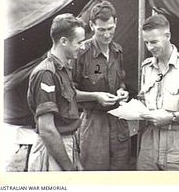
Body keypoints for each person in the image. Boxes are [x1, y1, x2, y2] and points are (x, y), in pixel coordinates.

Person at [27, 14, 117, 171]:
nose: (82, 47)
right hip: (52, 150)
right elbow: (47, 130)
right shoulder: (46, 74)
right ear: (63, 41)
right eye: (79, 42)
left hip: (66, 144)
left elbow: (68, 94)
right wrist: (68, 167)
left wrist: (95, 96)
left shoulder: (63, 68)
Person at [136, 14, 179, 171]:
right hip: (149, 145)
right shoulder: (146, 66)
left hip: (178, 144)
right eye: (146, 42)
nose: (149, 47)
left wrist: (171, 117)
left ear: (167, 36)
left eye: (154, 42)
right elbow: (143, 100)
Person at [73, 1, 131, 170]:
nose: (107, 35)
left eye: (110, 28)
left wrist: (122, 91)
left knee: (120, 172)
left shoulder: (117, 51)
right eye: (101, 30)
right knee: (95, 174)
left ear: (116, 22)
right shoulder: (81, 52)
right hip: (94, 123)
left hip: (118, 120)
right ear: (91, 25)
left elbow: (120, 81)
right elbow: (69, 92)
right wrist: (95, 97)